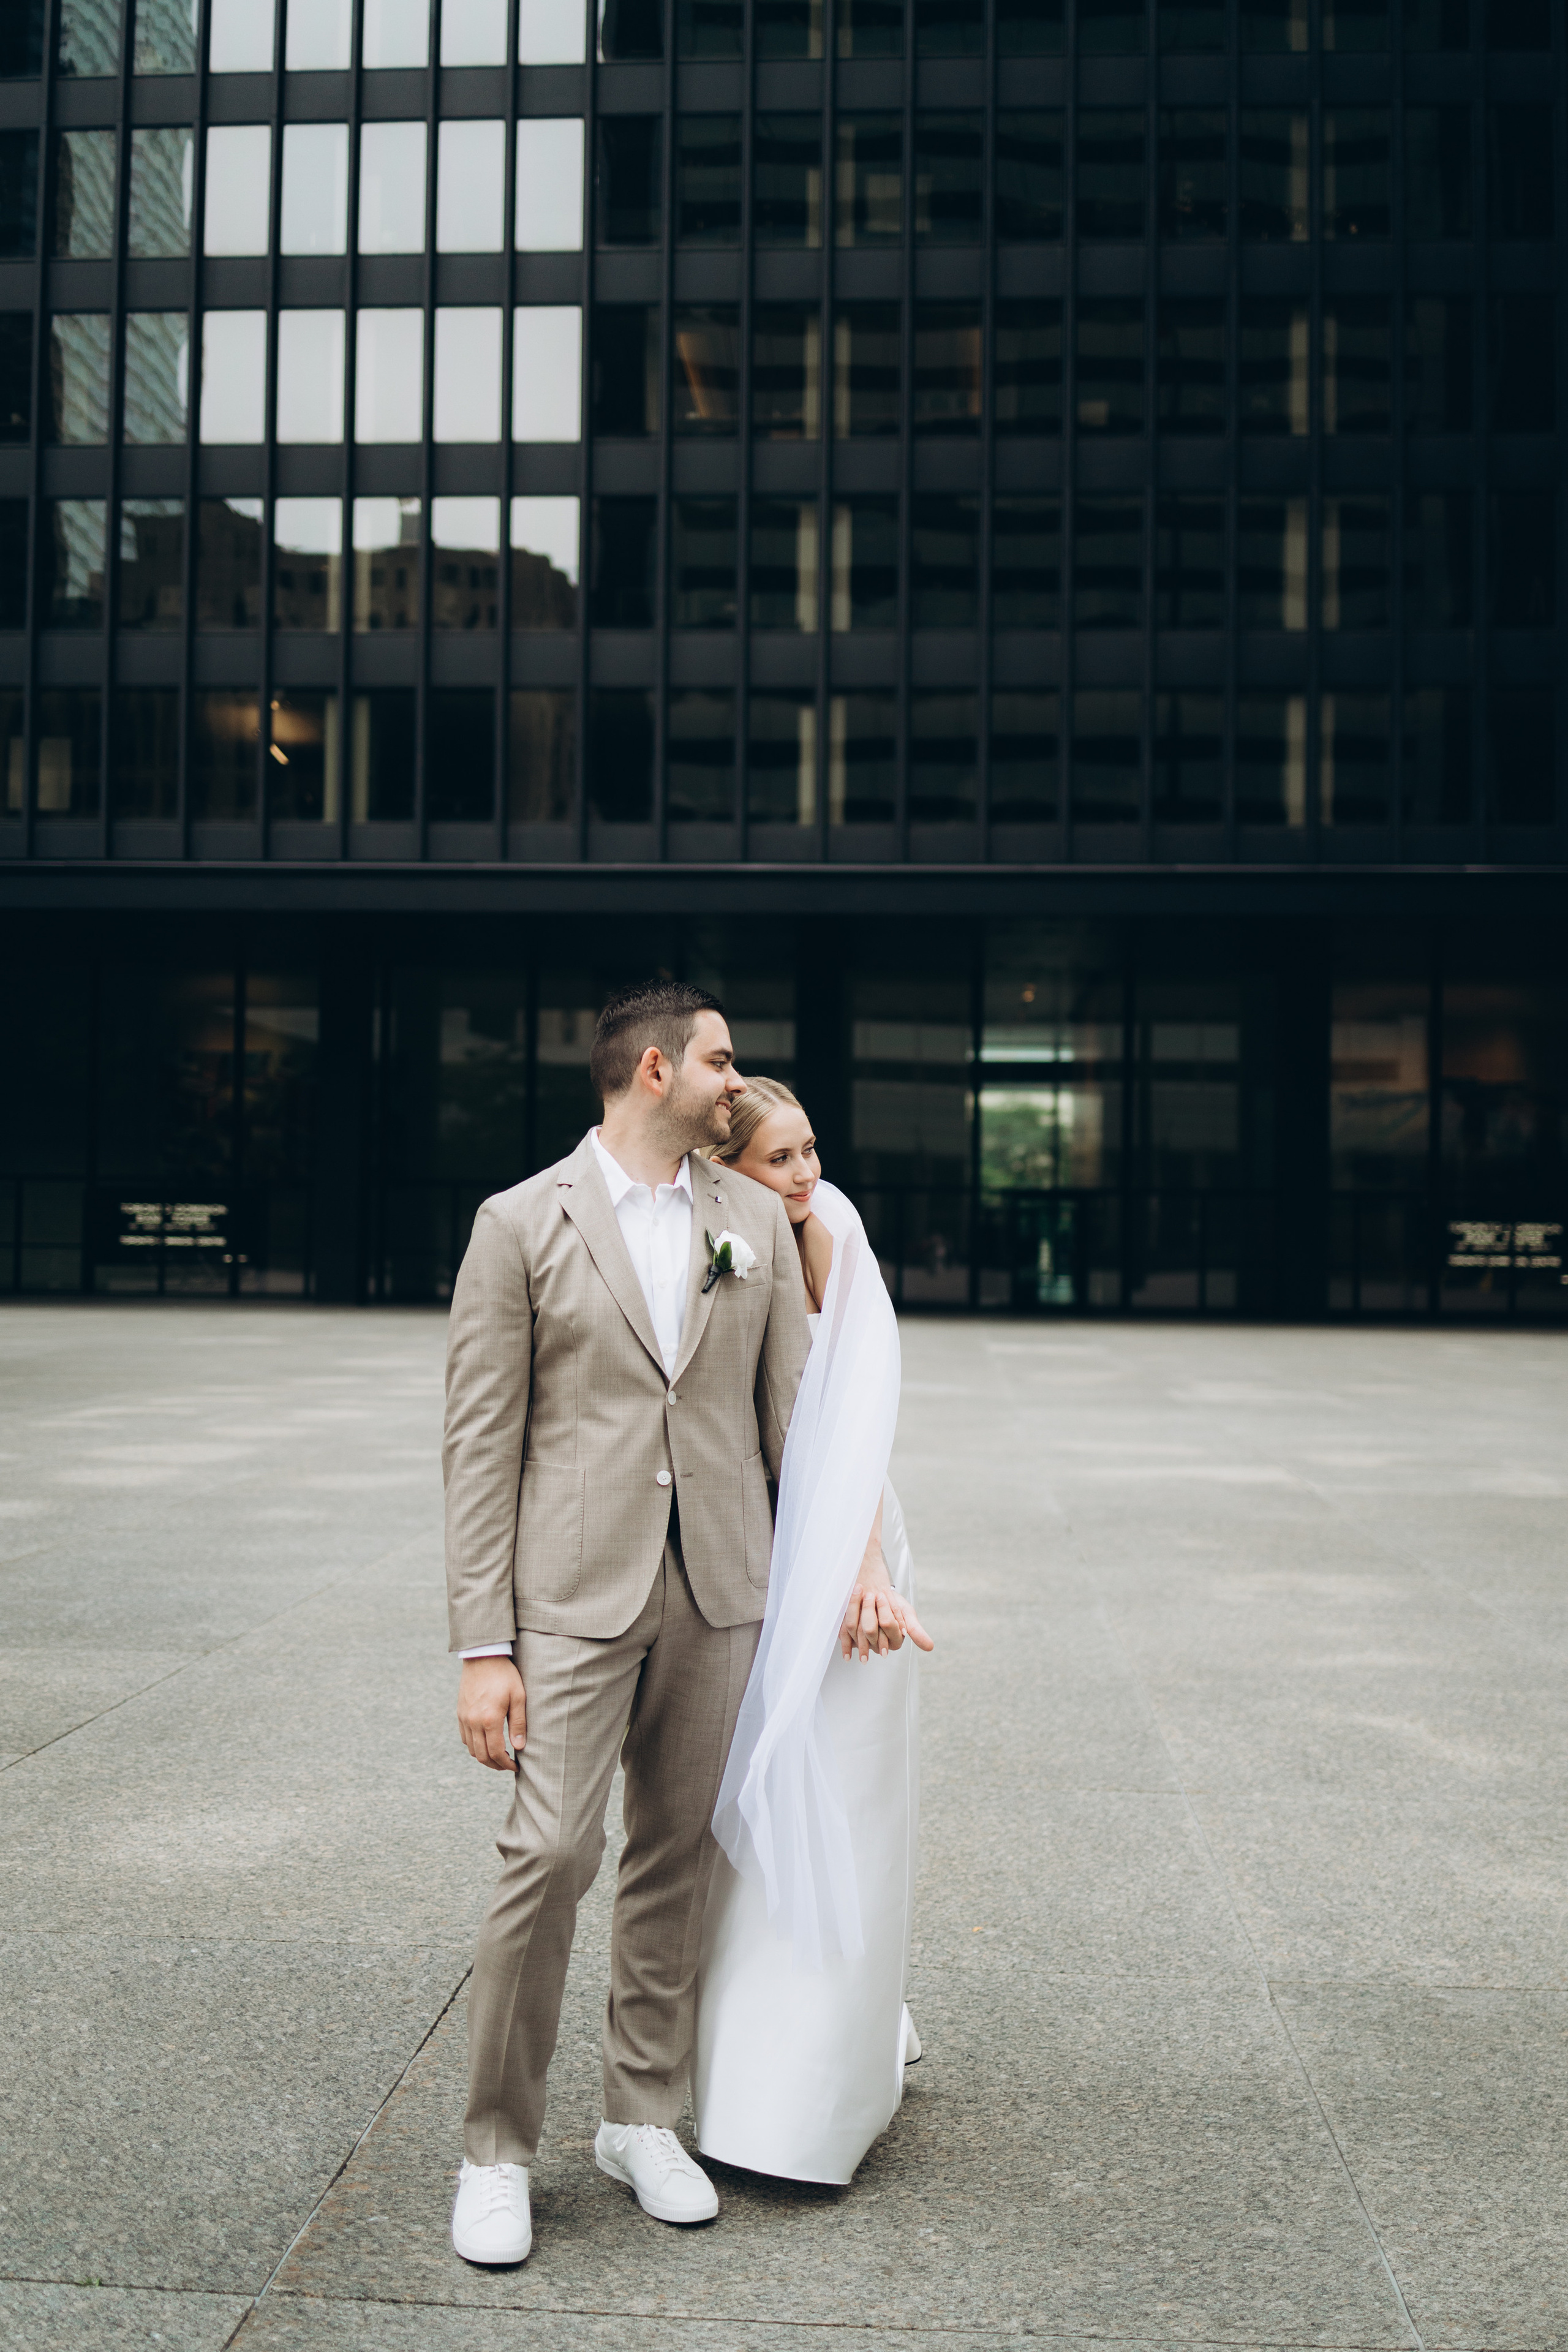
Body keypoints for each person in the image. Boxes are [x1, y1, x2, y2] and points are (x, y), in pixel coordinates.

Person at [441, 982, 814, 2264]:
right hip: (569, 1597)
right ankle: (495, 2148)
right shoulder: (517, 1223)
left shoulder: (754, 1218)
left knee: (676, 1854)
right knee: (547, 1854)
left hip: (722, 1587)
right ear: (652, 1072)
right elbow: (481, 1444)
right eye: (722, 1061)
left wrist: (836, 1583)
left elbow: (793, 1424)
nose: (737, 1080)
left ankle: (641, 2115)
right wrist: (483, 1646)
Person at [692, 1077, 934, 2185]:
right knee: (745, 1799)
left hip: (845, 1555)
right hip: (747, 1551)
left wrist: (863, 1570)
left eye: (810, 1151)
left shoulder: (833, 1232)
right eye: (780, 1160)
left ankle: (812, 2102)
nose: (806, 1176)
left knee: (842, 1796)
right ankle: (732, 2072)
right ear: (726, 1167)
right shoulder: (708, 1234)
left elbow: (856, 1422)